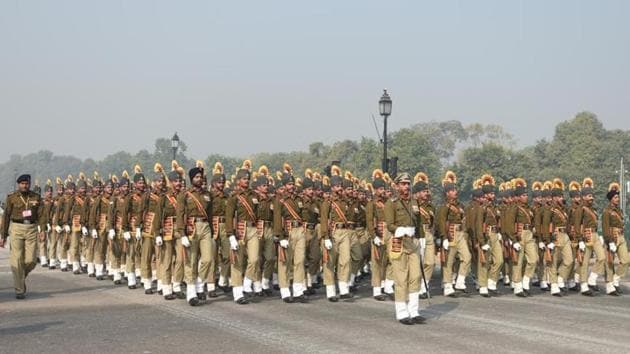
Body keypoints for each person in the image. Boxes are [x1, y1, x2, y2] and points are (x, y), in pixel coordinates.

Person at [384, 173, 425, 325]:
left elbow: (418, 222)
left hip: (413, 242)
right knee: (401, 279)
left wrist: (421, 239)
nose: (406, 187)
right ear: (396, 186)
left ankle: (414, 311)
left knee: (415, 276)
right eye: (403, 184)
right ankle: (402, 312)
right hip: (398, 242)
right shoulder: (392, 203)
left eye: (408, 184)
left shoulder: (415, 202)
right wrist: (401, 230)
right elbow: (389, 224)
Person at [0, 174, 46, 299]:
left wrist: (42, 229)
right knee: (17, 258)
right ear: (18, 184)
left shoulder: (36, 197)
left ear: (29, 184)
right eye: (22, 184)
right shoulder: (11, 197)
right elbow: (6, 217)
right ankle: (19, 289)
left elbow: (42, 215)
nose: (24, 186)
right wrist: (3, 235)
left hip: (31, 228)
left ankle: (20, 278)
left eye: (26, 184)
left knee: (31, 260)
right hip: (16, 228)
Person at [602, 182, 628, 296]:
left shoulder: (619, 211)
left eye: (618, 197)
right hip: (612, 237)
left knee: (626, 260)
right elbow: (605, 228)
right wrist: (610, 241)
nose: (618, 199)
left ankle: (616, 280)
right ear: (611, 199)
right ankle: (609, 286)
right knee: (609, 262)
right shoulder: (606, 211)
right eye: (616, 197)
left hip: (621, 237)